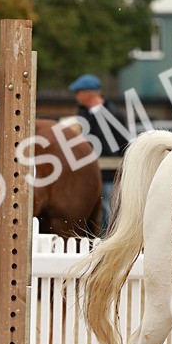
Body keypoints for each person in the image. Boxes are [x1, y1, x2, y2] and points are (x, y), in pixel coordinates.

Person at [68, 73, 131, 231]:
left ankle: (107, 238)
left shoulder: (113, 115)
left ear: (87, 93)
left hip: (108, 172)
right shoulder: (84, 114)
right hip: (88, 170)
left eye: (78, 93)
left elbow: (122, 143)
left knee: (107, 206)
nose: (76, 97)